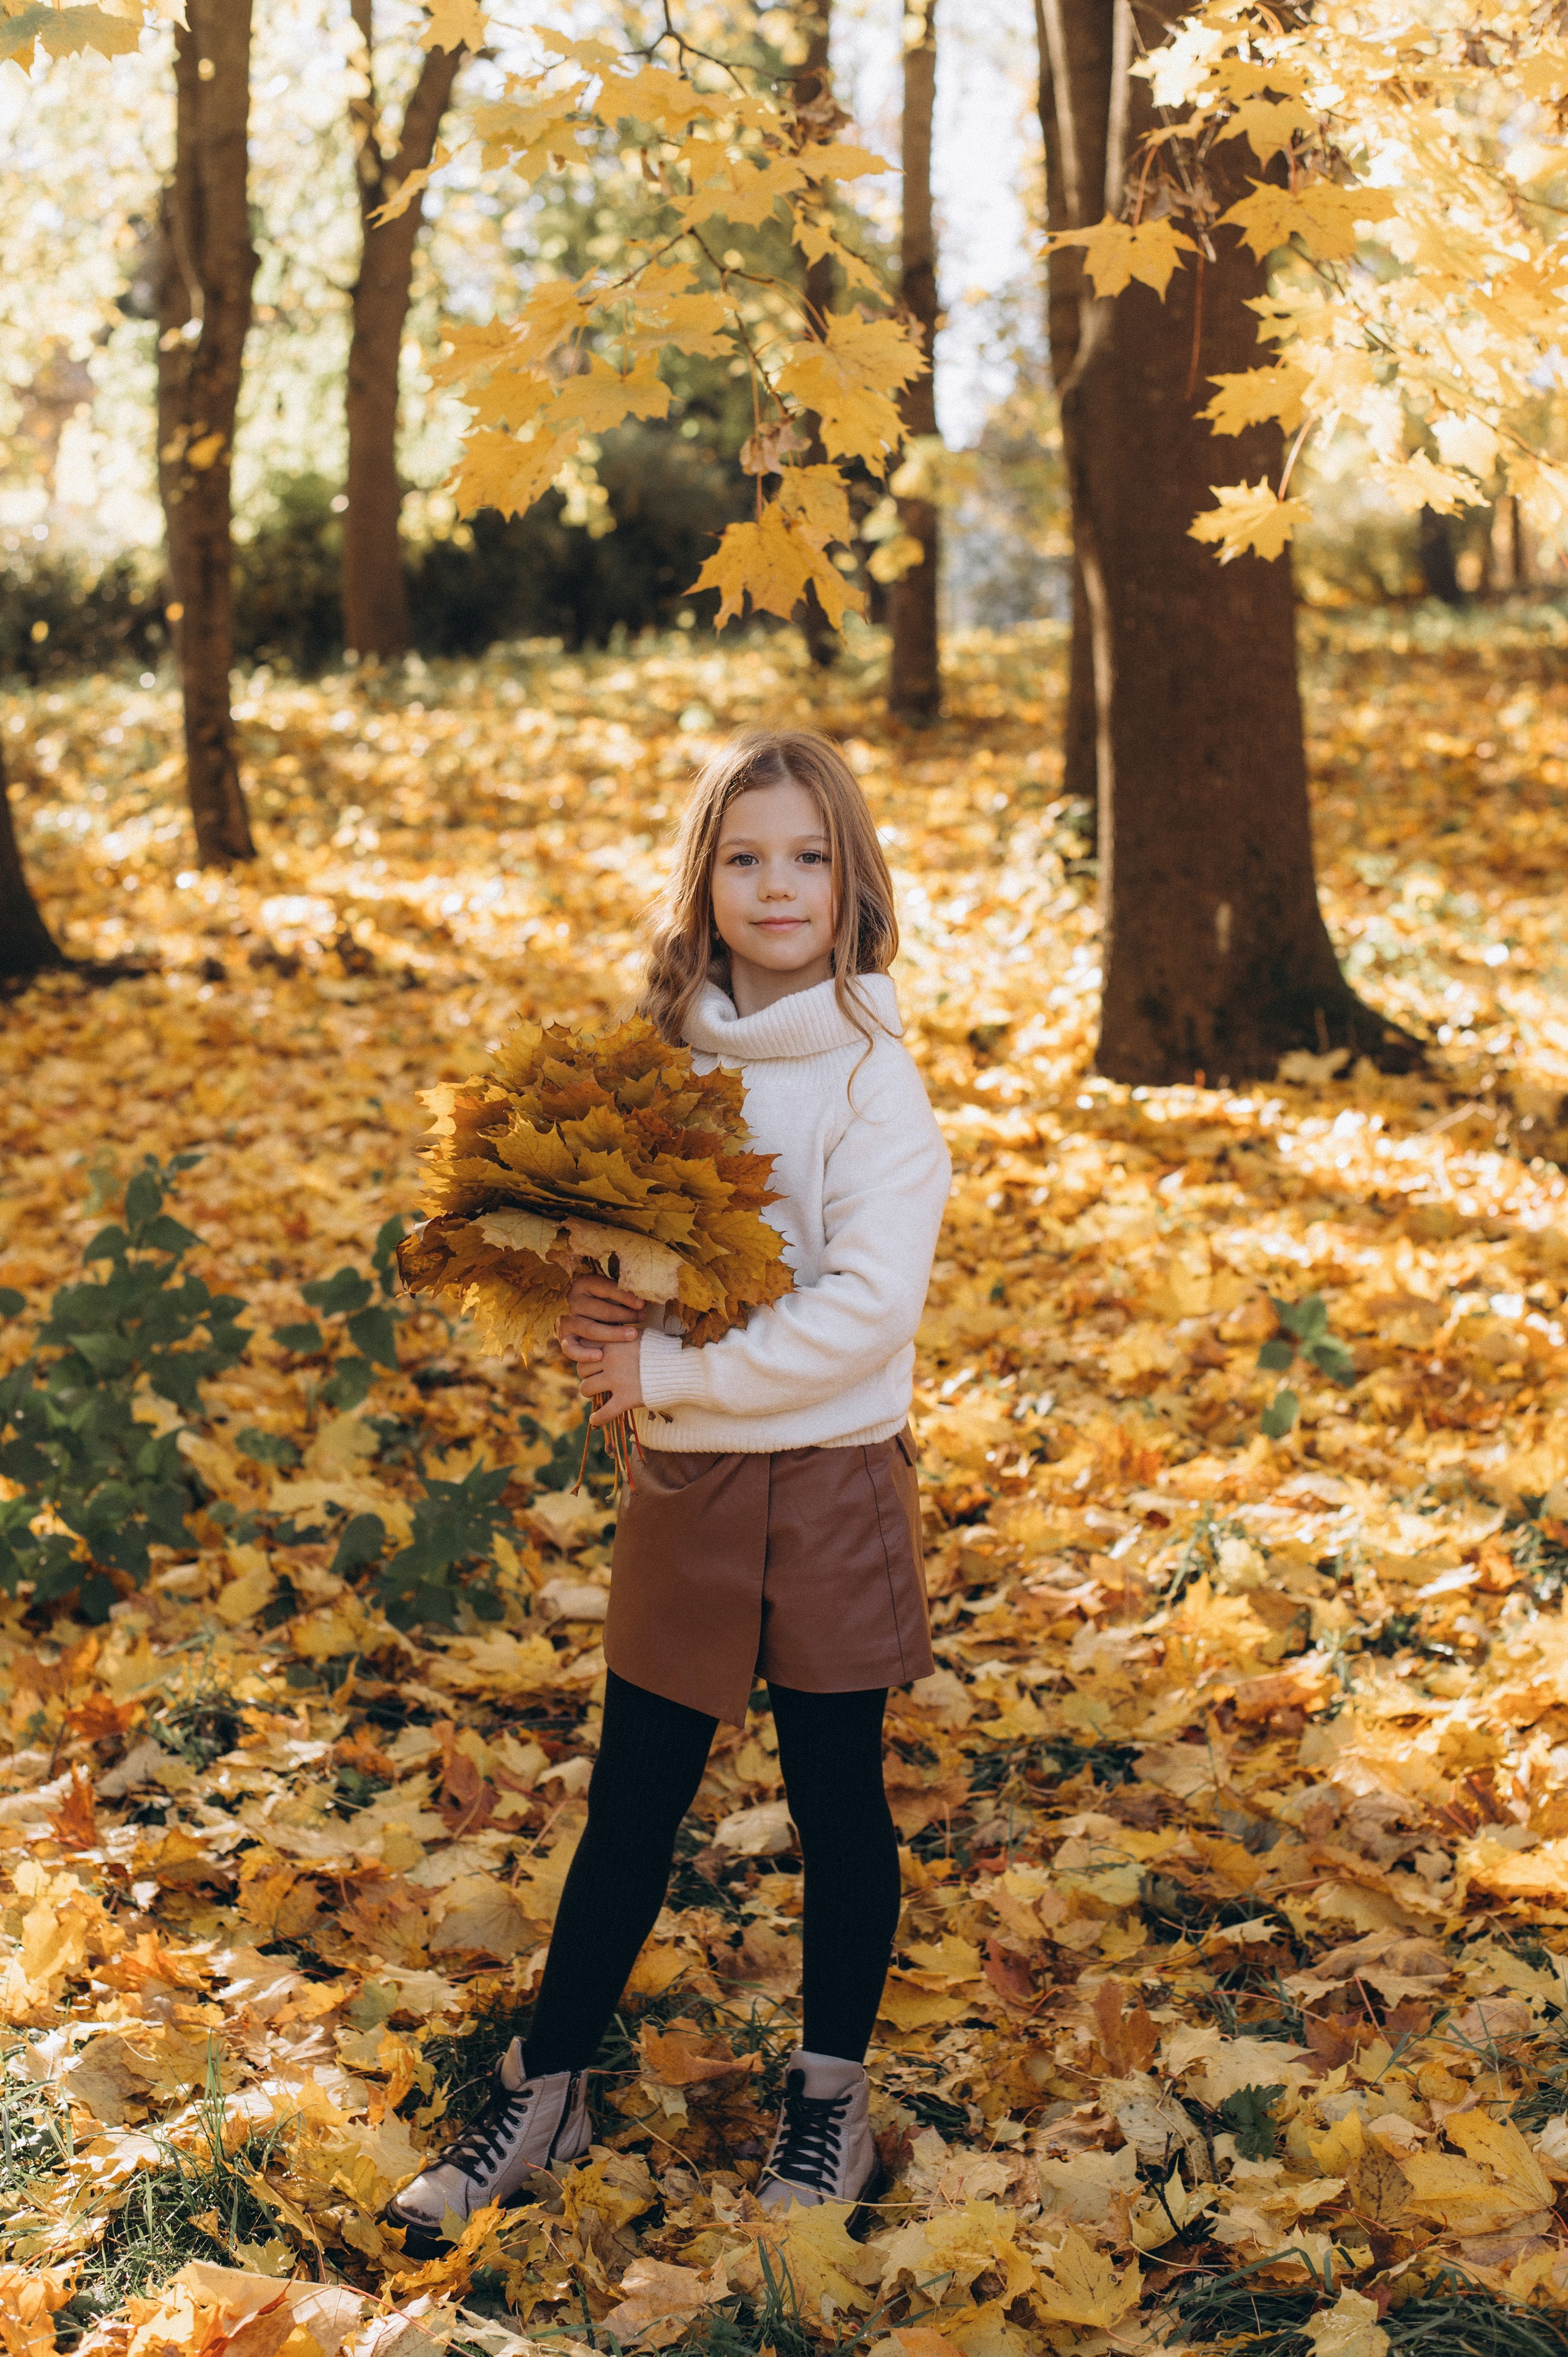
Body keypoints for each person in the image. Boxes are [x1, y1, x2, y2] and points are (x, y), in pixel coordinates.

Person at [384, 729, 951, 2257]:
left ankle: (826, 2100)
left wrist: (668, 1375)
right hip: (690, 1486)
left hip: (828, 1484)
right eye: (747, 855)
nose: (779, 885)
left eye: (810, 857)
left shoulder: (871, 1087)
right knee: (633, 1791)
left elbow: (862, 1312)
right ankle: (546, 2079)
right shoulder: (665, 1070)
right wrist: (597, 1319)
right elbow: (631, 1261)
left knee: (836, 1798)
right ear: (703, 881)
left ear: (854, 881)